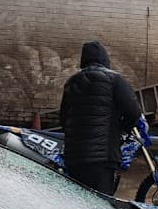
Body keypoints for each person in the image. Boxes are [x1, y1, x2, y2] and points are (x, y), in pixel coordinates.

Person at [59, 41, 143, 195]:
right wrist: (121, 128)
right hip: (102, 159)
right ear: (105, 59)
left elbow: (63, 119)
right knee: (100, 207)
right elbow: (134, 112)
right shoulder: (115, 80)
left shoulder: (71, 82)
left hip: (74, 158)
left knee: (77, 205)